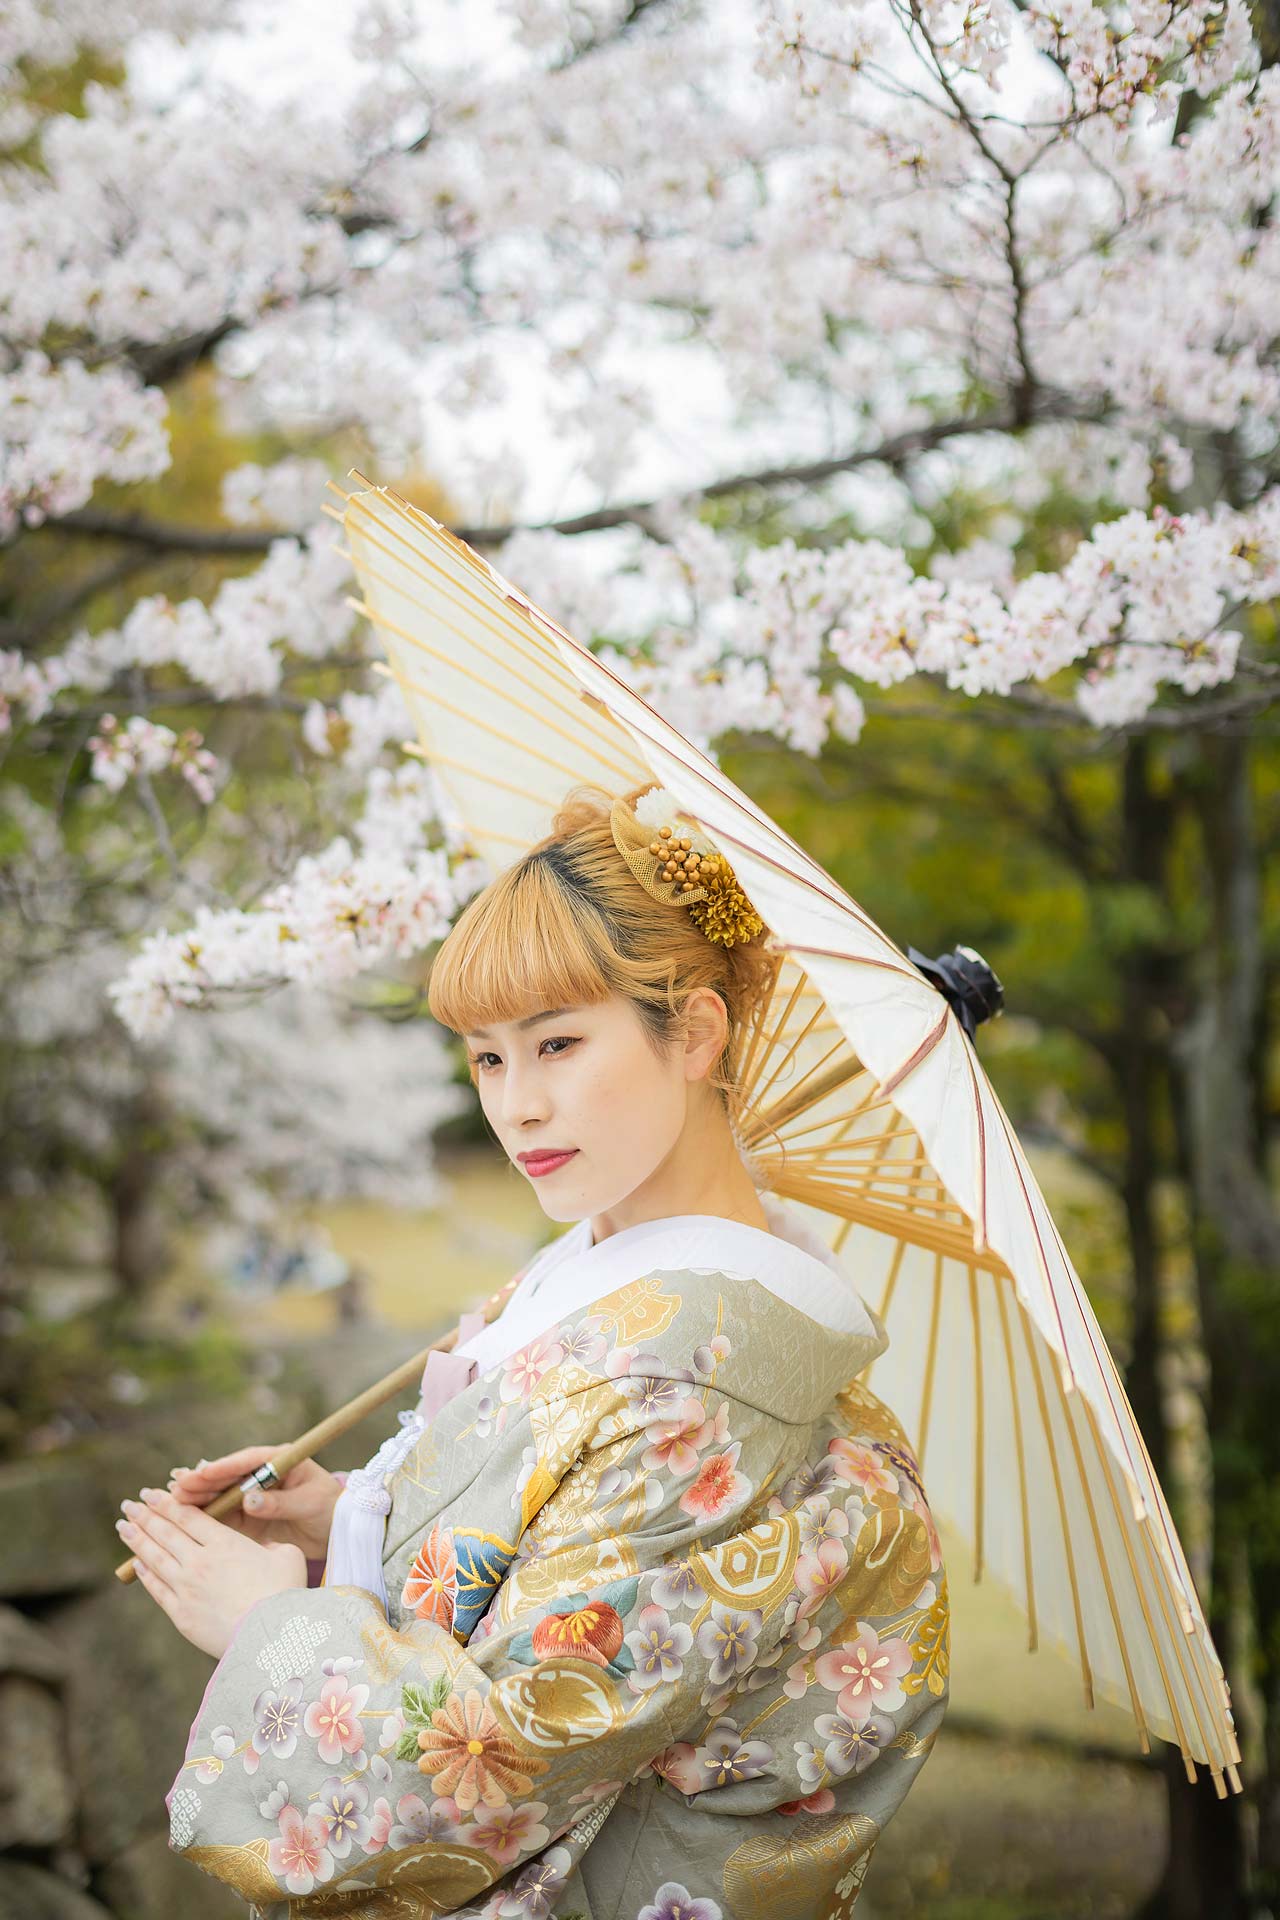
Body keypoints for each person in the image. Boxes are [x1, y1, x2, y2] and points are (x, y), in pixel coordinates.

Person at [120, 781, 950, 1920]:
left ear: (694, 1032)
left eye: (556, 1044)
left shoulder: (700, 1387)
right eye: (487, 1059)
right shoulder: (593, 1272)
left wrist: (272, 1627)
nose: (516, 1106)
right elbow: (542, 1539)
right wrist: (356, 1518)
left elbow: (501, 1756)